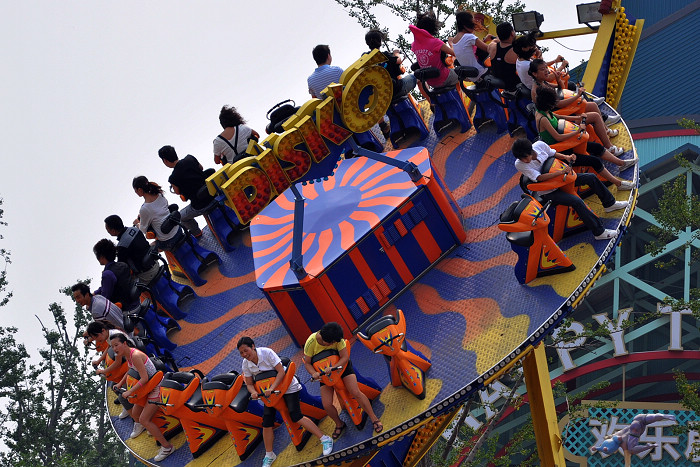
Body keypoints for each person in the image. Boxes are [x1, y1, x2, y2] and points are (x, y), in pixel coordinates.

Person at [237, 336, 333, 467]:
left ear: (253, 346)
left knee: (295, 415)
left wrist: (272, 388)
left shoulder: (267, 353)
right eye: (241, 353)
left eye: (245, 350)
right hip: (269, 393)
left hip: (286, 386)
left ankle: (325, 439)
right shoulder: (246, 363)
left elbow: (281, 372)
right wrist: (253, 392)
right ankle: (269, 454)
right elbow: (249, 384)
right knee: (266, 422)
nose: (244, 354)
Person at [511, 138, 628, 241]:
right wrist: (560, 172)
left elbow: (553, 153)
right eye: (521, 159)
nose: (524, 161)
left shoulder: (540, 145)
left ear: (531, 151)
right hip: (549, 190)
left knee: (591, 177)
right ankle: (599, 232)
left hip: (562, 179)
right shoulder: (519, 164)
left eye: (525, 157)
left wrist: (567, 157)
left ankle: (609, 204)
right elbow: (539, 178)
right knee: (576, 201)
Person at [533, 85, 637, 178]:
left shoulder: (545, 110)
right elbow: (557, 137)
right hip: (563, 147)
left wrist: (578, 117)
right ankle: (616, 177)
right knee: (594, 160)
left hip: (565, 134)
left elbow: (559, 117)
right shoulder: (543, 119)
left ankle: (621, 163)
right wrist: (577, 131)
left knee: (597, 147)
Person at [303, 322, 383, 439]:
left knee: (355, 392)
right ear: (325, 341)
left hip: (341, 368)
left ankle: (374, 418)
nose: (335, 344)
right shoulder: (310, 342)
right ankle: (339, 424)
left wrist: (334, 367)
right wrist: (313, 373)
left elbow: (345, 357)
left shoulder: (338, 340)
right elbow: (307, 363)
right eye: (332, 343)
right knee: (326, 404)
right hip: (324, 374)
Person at [111, 332, 174, 462]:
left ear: (124, 343)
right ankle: (152, 428)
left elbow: (144, 378)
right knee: (135, 413)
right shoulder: (128, 355)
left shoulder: (134, 356)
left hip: (156, 387)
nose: (114, 349)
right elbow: (130, 371)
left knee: (144, 419)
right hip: (148, 388)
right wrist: (120, 383)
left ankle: (167, 447)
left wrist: (129, 391)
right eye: (112, 347)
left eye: (116, 345)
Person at [157, 146, 215, 238]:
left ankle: (197, 233)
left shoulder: (173, 178)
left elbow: (177, 192)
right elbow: (201, 168)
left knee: (182, 217)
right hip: (213, 194)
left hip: (200, 205)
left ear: (165, 160)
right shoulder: (190, 158)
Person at [85, 321, 133, 419]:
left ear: (103, 331)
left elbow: (117, 363)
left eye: (96, 337)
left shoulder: (114, 337)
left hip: (131, 361)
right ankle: (128, 406)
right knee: (113, 386)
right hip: (126, 359)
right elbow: (108, 348)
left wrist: (103, 371)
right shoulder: (109, 336)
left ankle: (135, 416)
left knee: (119, 391)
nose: (96, 340)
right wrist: (99, 361)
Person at [591, 413, 676, 465]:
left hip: (634, 432)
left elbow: (627, 460)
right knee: (649, 418)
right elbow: (609, 437)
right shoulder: (617, 435)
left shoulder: (624, 445)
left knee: (631, 450)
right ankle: (663, 416)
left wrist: (648, 447)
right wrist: (604, 441)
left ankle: (648, 446)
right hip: (637, 419)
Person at [409, 11, 458, 96]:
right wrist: (451, 43)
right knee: (463, 73)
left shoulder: (414, 45)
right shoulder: (436, 42)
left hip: (431, 83)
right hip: (444, 78)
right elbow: (455, 54)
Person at [104, 214, 159, 284]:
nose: (107, 231)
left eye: (107, 229)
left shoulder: (122, 246)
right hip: (155, 264)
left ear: (113, 231)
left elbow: (121, 268)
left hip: (146, 275)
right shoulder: (135, 229)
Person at [131, 176, 181, 250]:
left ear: (140, 190)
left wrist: (137, 223)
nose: (136, 193)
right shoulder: (159, 194)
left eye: (135, 191)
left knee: (149, 249)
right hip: (178, 230)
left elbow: (143, 230)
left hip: (167, 241)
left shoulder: (144, 209)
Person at [364, 29, 416, 99]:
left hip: (379, 95)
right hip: (394, 90)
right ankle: (430, 99)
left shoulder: (364, 57)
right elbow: (398, 61)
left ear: (367, 43)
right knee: (418, 76)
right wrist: (396, 53)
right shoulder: (385, 55)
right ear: (380, 42)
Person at [92, 238, 140, 313]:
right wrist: (96, 293)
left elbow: (105, 299)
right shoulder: (122, 265)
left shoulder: (107, 274)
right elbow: (107, 286)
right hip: (136, 302)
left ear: (101, 257)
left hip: (126, 310)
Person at [449, 11, 493, 80]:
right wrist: (496, 41)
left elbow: (471, 51)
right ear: (465, 25)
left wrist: (484, 40)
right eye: (473, 24)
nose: (475, 26)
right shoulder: (469, 37)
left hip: (473, 77)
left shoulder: (455, 41)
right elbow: (489, 49)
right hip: (483, 73)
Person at [488, 22, 521, 91]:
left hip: (499, 86)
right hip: (514, 87)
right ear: (512, 33)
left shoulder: (492, 47)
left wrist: (496, 39)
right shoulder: (516, 51)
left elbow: (494, 41)